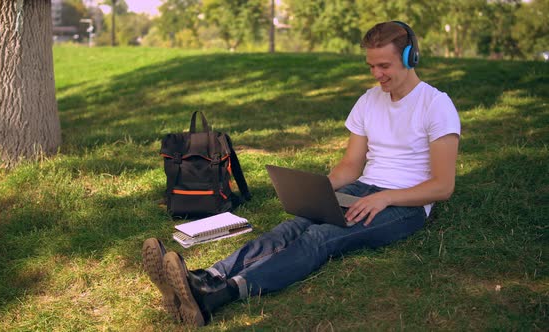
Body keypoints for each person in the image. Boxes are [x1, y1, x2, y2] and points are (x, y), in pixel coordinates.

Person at [142, 21, 461, 327]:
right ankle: (204, 276)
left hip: (406, 205)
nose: (377, 74)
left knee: (321, 237)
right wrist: (318, 192)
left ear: (410, 58)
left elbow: (442, 186)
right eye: (371, 66)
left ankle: (222, 293)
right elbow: (351, 166)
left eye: (384, 66)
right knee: (291, 227)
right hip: (363, 190)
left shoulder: (435, 105)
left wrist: (384, 198)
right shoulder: (368, 100)